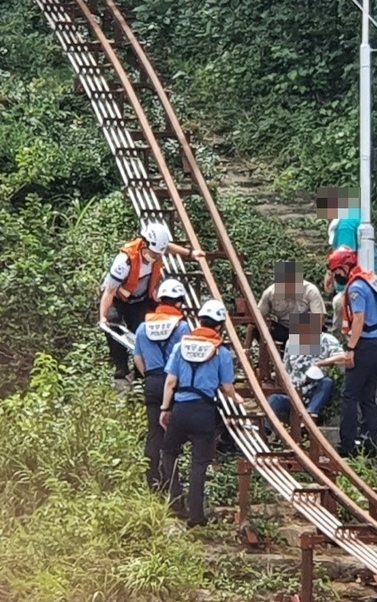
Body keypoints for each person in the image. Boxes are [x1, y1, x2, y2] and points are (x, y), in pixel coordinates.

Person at [160, 299, 240, 528]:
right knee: (199, 464)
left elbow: (171, 381)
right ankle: (196, 516)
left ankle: (175, 498)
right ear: (219, 326)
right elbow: (227, 387)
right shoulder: (221, 352)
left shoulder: (180, 346)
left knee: (169, 451)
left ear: (201, 321)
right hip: (204, 411)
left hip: (180, 408)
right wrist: (237, 399)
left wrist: (165, 408)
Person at [98, 222, 203, 386]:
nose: (155, 257)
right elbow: (109, 291)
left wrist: (191, 254)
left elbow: (168, 247)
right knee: (113, 326)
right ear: (144, 244)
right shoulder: (124, 261)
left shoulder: (157, 250)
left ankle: (140, 373)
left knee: (141, 332)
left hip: (139, 298)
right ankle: (121, 369)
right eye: (153, 254)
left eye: (157, 254)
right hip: (118, 297)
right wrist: (103, 317)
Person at [326, 246, 377, 458]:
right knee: (368, 398)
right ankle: (370, 444)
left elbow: (359, 319)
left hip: (364, 347)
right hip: (376, 345)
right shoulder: (367, 281)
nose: (336, 277)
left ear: (344, 267)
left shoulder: (355, 288)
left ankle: (348, 444)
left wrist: (350, 349)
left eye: (336, 272)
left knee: (350, 396)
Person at [133, 278, 191, 492]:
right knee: (173, 435)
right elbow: (186, 358)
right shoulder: (182, 327)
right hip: (173, 385)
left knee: (154, 433)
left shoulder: (142, 327)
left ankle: (152, 482)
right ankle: (172, 483)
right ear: (178, 303)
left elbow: (138, 359)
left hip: (152, 380)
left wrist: (150, 376)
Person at [315, 186, 377, 331]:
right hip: (372, 275)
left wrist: (330, 274)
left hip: (359, 277)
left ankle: (342, 341)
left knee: (340, 303)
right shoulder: (358, 214)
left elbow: (344, 256)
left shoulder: (345, 225)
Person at [267, 312, 341, 430]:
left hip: (315, 390)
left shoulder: (327, 339)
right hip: (294, 393)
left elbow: (341, 357)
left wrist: (322, 363)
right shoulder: (292, 342)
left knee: (327, 382)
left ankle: (310, 417)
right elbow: (285, 368)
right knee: (274, 399)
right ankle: (266, 430)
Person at [256, 261, 326, 346]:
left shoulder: (310, 291)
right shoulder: (270, 293)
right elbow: (258, 316)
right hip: (282, 328)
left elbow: (319, 320)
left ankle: (302, 354)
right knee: (257, 327)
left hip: (305, 329)